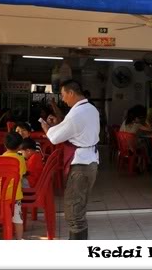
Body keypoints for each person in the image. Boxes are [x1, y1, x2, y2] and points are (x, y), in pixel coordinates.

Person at [40, 80, 100, 240]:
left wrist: (47, 128)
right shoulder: (91, 109)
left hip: (81, 166)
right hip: (90, 162)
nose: (63, 99)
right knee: (78, 209)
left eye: (63, 95)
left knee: (74, 213)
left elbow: (54, 138)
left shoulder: (77, 113)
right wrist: (59, 125)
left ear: (71, 93)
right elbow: (76, 130)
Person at [1, 132, 27, 240]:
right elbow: (23, 173)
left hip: (1, 196)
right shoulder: (21, 159)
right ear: (20, 146)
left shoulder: (0, 158)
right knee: (18, 219)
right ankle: (19, 239)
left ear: (5, 145)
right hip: (15, 195)